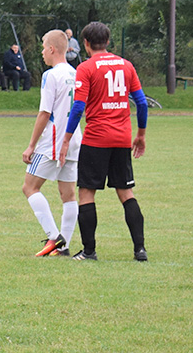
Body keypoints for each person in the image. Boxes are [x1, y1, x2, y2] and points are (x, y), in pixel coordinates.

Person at [59, 22, 148, 262]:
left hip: (96, 139)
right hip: (121, 140)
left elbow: (78, 107)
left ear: (86, 43)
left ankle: (89, 251)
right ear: (107, 42)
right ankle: (140, 249)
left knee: (87, 193)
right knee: (126, 192)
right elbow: (141, 103)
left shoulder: (86, 68)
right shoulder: (126, 65)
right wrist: (140, 134)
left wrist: (66, 139)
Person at [21, 30, 82, 257]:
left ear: (52, 49)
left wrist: (31, 145)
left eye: (44, 47)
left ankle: (54, 237)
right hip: (74, 138)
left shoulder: (51, 75)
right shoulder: (76, 73)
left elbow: (45, 113)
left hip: (53, 140)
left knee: (29, 187)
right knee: (68, 194)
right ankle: (64, 246)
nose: (42, 52)